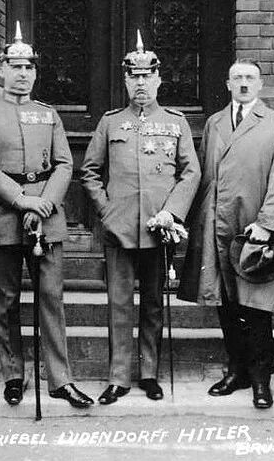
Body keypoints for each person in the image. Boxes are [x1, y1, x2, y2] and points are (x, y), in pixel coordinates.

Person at [0, 22, 93, 408]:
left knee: (51, 298)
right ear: (2, 70)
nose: (23, 74)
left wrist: (45, 203)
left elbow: (64, 164)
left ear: (36, 73)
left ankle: (60, 379)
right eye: (15, 67)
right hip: (2, 213)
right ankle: (13, 374)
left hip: (46, 216)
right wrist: (22, 200)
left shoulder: (47, 114)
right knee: (5, 300)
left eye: (29, 67)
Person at [80, 31, 200, 405]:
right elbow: (89, 171)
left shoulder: (176, 122)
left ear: (159, 79)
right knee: (118, 305)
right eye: (134, 77)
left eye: (148, 76)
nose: (141, 83)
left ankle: (149, 373)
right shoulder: (111, 122)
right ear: (126, 80)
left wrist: (171, 213)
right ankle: (118, 378)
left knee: (152, 303)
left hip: (158, 229)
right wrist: (107, 211)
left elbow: (191, 172)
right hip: (119, 229)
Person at [178, 58, 274, 409]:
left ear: (260, 85)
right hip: (218, 223)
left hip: (253, 226)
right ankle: (237, 370)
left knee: (256, 305)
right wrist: (196, 220)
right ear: (228, 84)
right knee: (227, 302)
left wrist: (267, 223)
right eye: (237, 78)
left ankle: (261, 378)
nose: (244, 83)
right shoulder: (214, 123)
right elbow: (203, 174)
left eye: (250, 78)